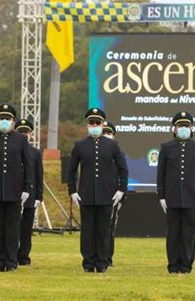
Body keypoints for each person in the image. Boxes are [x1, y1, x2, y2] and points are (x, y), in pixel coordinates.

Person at [67, 108, 128, 273]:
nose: (94, 125)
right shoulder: (80, 146)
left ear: (102, 124)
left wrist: (121, 190)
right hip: (85, 195)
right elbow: (71, 170)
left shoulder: (112, 145)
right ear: (87, 125)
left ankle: (102, 262)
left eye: (97, 123)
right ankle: (88, 262)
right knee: (87, 231)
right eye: (91, 123)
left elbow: (123, 169)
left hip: (106, 196)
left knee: (103, 230)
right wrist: (72, 191)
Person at [0, 104, 32, 271]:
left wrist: (26, 188)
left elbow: (28, 165)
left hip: (15, 191)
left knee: (12, 229)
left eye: (7, 119)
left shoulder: (21, 140)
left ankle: (11, 262)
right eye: (1, 119)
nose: (4, 121)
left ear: (13, 121)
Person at [157, 111, 195, 274]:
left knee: (189, 232)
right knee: (173, 233)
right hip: (171, 197)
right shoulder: (166, 148)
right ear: (174, 129)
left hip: (191, 197)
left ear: (191, 128)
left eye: (187, 126)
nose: (184, 129)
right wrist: (161, 196)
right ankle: (173, 265)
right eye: (181, 126)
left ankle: (186, 265)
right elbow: (161, 174)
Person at [15, 119, 44, 266]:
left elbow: (39, 176)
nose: (23, 134)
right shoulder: (11, 151)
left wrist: (39, 196)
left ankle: (24, 256)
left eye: (26, 132)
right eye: (20, 131)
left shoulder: (35, 153)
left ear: (30, 134)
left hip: (30, 196)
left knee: (26, 229)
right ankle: (12, 253)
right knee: (13, 226)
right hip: (13, 194)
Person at [102, 120, 128, 266]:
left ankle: (108, 256)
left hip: (114, 195)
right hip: (99, 194)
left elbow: (123, 174)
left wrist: (122, 194)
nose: (106, 135)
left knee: (110, 227)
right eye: (104, 132)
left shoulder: (119, 153)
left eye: (109, 133)